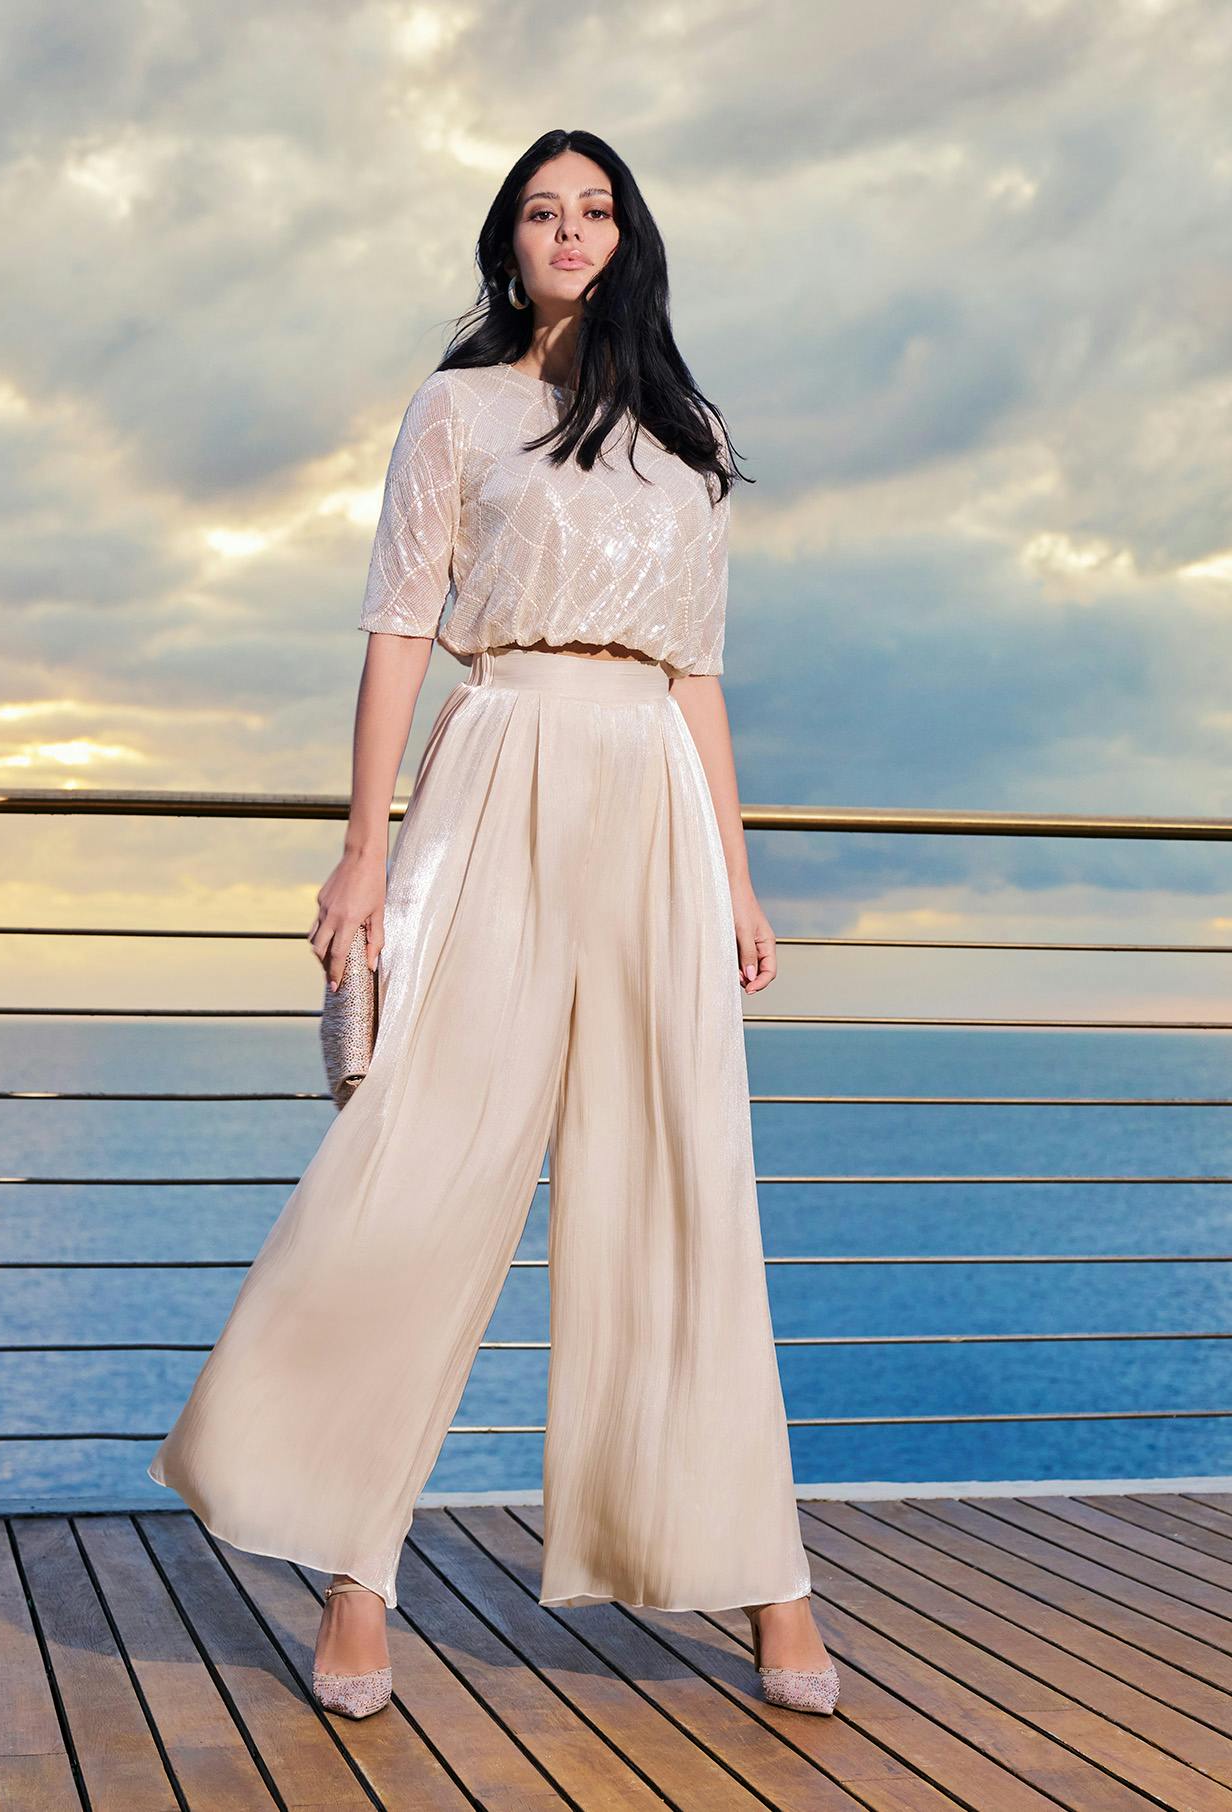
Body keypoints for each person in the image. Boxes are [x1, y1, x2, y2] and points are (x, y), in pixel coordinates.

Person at [147, 128, 839, 1722]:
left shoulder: (690, 435)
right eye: (542, 211)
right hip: (500, 764)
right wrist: (362, 857)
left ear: (630, 236)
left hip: (654, 802)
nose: (570, 232)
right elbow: (399, 634)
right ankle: (351, 1563)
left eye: (595, 210)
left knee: (685, 1179)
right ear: (508, 240)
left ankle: (766, 1577)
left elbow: (697, 676)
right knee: (423, 1161)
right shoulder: (456, 411)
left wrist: (737, 872)